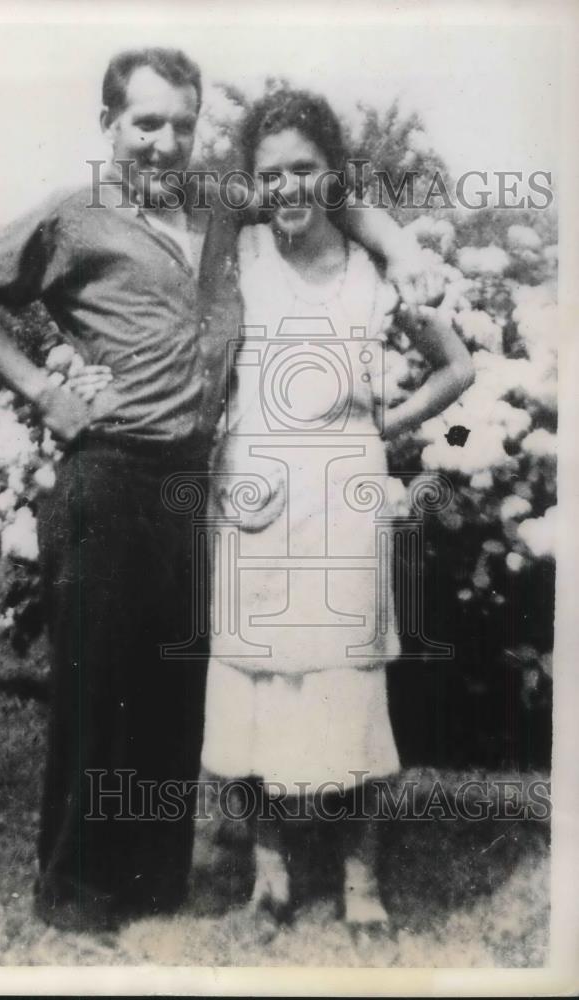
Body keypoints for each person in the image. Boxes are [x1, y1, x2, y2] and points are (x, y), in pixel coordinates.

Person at [0, 47, 444, 933]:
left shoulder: (216, 205)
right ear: (110, 126)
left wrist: (397, 243)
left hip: (197, 483)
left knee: (169, 698)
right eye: (146, 122)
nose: (165, 142)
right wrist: (45, 390)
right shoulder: (76, 216)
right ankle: (78, 893)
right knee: (97, 693)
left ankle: (154, 883)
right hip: (110, 475)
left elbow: (316, 190)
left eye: (182, 124)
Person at [198, 89, 475, 940]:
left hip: (345, 497)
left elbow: (456, 369)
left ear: (336, 176)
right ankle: (269, 881)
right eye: (270, 174)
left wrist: (375, 428)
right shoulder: (237, 250)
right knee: (258, 685)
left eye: (306, 171)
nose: (287, 190)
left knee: (350, 688)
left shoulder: (373, 271)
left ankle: (362, 882)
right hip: (252, 489)